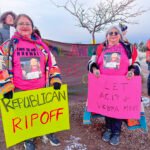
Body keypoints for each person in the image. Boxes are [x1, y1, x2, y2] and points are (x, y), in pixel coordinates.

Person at [0, 14, 62, 150]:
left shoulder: (42, 46)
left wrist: (55, 78)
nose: (24, 26)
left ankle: (48, 132)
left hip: (42, 88)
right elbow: (1, 66)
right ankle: (28, 138)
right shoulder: (8, 46)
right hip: (20, 90)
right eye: (21, 23)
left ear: (32, 27)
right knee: (26, 117)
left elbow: (52, 63)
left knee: (43, 113)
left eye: (27, 24)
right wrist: (5, 86)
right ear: (15, 27)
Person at [88, 26, 141, 145]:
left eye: (116, 33)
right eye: (110, 33)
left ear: (120, 36)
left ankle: (116, 132)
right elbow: (92, 61)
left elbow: (136, 62)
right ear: (106, 36)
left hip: (122, 85)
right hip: (105, 85)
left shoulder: (128, 48)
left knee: (118, 109)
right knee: (108, 107)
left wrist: (132, 71)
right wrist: (95, 69)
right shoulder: (100, 48)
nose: (113, 35)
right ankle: (108, 128)